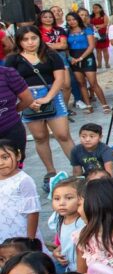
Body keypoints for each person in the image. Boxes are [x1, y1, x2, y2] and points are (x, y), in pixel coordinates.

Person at [5, 26, 73, 188]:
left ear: (39, 38)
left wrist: (48, 98)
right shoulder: (13, 59)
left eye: (33, 38)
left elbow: (59, 79)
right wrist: (28, 101)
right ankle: (50, 172)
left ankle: (78, 168)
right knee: (40, 137)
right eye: (25, 39)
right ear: (19, 41)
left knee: (63, 134)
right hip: (27, 98)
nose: (30, 42)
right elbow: (9, 82)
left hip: (51, 95)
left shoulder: (50, 55)